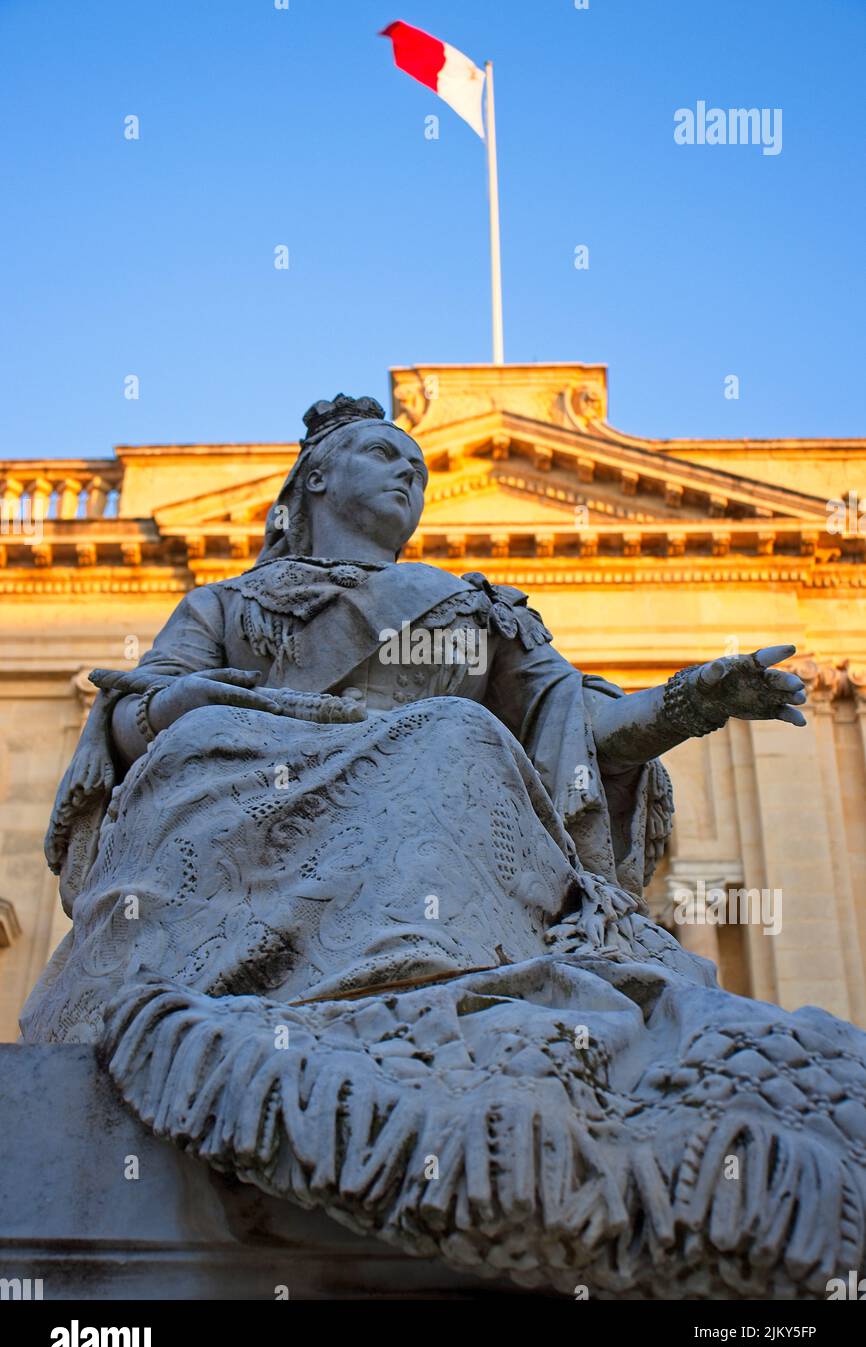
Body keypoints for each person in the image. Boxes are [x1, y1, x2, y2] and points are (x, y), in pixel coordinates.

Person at [21, 394, 865, 1299]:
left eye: (419, 468)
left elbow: (575, 726)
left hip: (431, 783)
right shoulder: (227, 603)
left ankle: (421, 990)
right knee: (336, 741)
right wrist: (179, 706)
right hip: (244, 784)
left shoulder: (476, 610)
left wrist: (689, 703)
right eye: (384, 455)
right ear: (314, 479)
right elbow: (130, 716)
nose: (409, 475)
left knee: (456, 735)